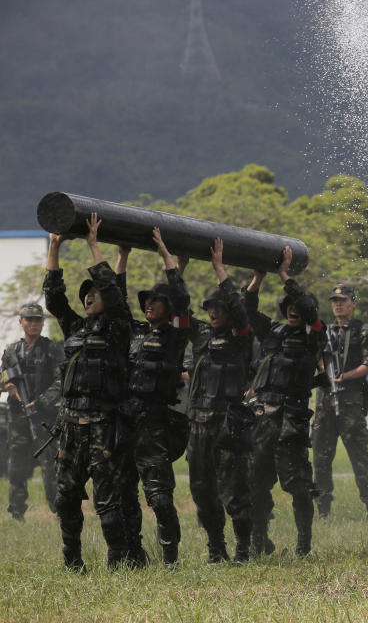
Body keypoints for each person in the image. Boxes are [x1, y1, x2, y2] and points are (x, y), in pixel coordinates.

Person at [43, 214, 131, 571]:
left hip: (103, 424)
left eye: (94, 293)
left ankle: (117, 562)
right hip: (69, 426)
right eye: (86, 295)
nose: (89, 296)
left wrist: (94, 244)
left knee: (107, 500)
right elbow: (53, 298)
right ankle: (72, 563)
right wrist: (55, 245)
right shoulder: (75, 329)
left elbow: (112, 289)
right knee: (65, 498)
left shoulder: (118, 329)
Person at [114, 229, 193, 567]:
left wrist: (166, 256)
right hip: (125, 422)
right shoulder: (131, 332)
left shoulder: (175, 335)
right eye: (145, 301)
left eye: (155, 301)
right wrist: (123, 256)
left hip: (156, 425)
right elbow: (114, 299)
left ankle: (170, 559)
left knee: (160, 497)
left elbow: (182, 300)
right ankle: (134, 555)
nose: (148, 304)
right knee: (124, 494)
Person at [244, 246, 326, 557]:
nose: (294, 308)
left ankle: (303, 543)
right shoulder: (272, 333)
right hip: (262, 418)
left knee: (299, 485)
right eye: (289, 305)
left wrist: (285, 275)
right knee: (255, 483)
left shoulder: (314, 336)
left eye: (298, 306)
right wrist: (257, 279)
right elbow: (248, 311)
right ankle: (258, 541)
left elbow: (309, 307)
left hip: (291, 421)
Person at [182, 238, 256, 563]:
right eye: (209, 308)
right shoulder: (199, 336)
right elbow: (177, 311)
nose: (213, 312)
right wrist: (178, 269)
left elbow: (240, 310)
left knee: (234, 491)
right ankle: (216, 550)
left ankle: (242, 549)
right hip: (198, 424)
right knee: (202, 491)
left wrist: (219, 269)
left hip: (228, 424)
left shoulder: (241, 337)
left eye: (218, 307)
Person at [312, 283, 368, 518]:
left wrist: (344, 376)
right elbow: (318, 359)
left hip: (351, 399)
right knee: (321, 456)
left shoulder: (364, 330)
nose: (338, 304)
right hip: (324, 400)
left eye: (343, 300)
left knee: (359, 455)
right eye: (334, 300)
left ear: (354, 302)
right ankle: (322, 508)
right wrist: (326, 371)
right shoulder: (325, 331)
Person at [1, 303, 63, 521]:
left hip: (45, 417)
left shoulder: (53, 349)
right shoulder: (11, 351)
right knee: (17, 464)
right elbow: (3, 377)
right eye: (29, 319)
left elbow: (61, 380)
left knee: (51, 463)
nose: (34, 323)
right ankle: (17, 512)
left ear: (42, 323)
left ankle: (58, 511)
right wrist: (10, 387)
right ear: (21, 322)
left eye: (37, 320)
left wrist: (40, 402)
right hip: (18, 417)